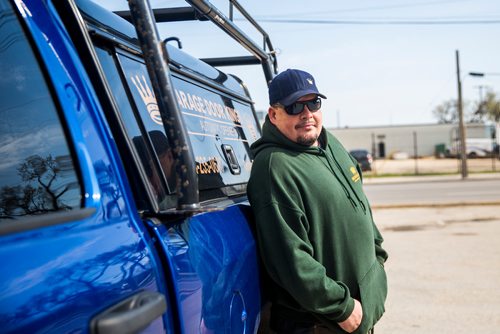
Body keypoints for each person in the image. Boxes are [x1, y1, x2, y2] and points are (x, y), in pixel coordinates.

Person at [247, 69, 388, 334]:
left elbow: (358, 199)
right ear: (273, 114)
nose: (306, 113)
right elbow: (290, 260)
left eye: (313, 103)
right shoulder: (274, 167)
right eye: (294, 106)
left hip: (357, 315)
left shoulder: (328, 143)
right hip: (321, 323)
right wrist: (342, 307)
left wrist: (377, 258)